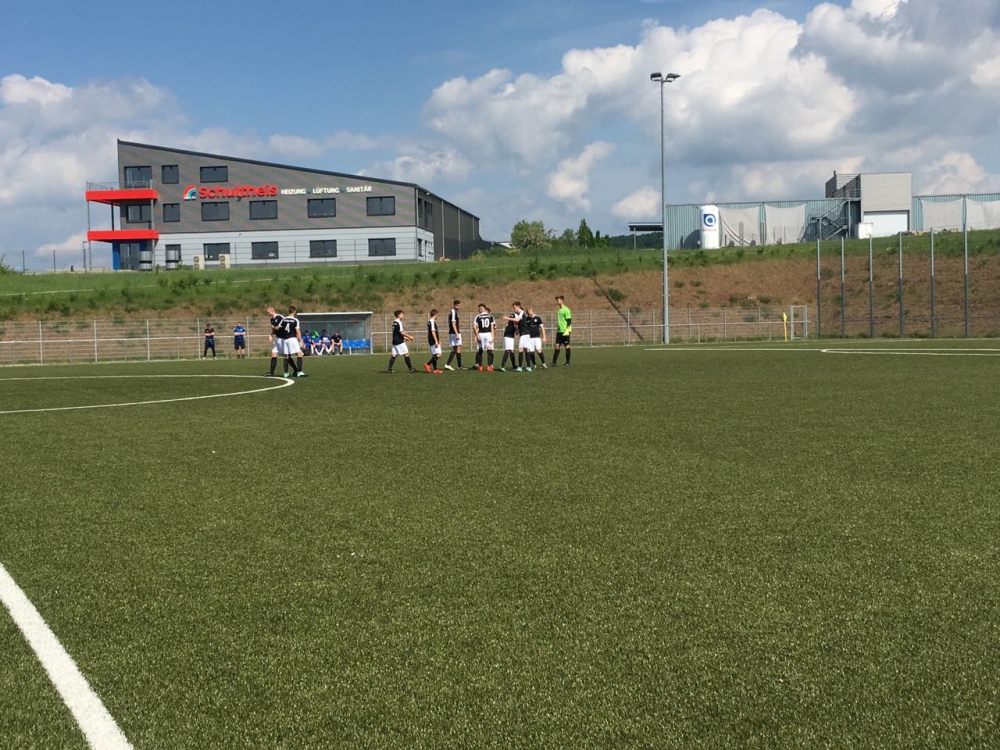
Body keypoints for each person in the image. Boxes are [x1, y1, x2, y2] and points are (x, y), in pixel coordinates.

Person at [275, 305, 306, 377]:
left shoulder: (284, 319)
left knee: (286, 356)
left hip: (285, 340)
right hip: (292, 338)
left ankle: (286, 373)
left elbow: (277, 328)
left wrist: (273, 327)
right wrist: (300, 341)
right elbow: (297, 331)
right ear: (294, 311)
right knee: (299, 354)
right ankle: (299, 372)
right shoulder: (295, 320)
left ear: (289, 311)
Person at [499, 301, 524, 372]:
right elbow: (515, 321)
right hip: (508, 335)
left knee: (512, 350)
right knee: (508, 350)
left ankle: (513, 365)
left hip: (510, 335)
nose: (513, 309)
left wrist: (517, 330)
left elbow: (515, 324)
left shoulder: (515, 314)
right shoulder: (514, 314)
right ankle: (502, 365)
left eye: (514, 308)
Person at [473, 303, 496, 371]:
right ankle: (489, 366)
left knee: (480, 350)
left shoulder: (478, 316)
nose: (479, 310)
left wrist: (476, 335)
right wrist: (493, 337)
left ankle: (480, 366)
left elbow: (474, 327)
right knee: (489, 351)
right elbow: (492, 327)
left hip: (481, 334)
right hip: (488, 334)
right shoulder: (490, 316)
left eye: (480, 308)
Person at [552, 295, 572, 366]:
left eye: (558, 300)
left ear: (562, 301)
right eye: (556, 301)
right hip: (559, 331)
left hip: (565, 331)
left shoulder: (566, 310)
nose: (557, 302)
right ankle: (554, 362)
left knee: (567, 346)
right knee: (557, 346)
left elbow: (569, 321)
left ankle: (567, 362)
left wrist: (567, 330)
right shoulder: (559, 310)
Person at [264, 306, 285, 377]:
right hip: (276, 338)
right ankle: (271, 372)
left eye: (268, 312)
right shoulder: (272, 319)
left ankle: (295, 370)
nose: (267, 314)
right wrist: (271, 335)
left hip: (282, 338)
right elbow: (274, 329)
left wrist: (275, 328)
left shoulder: (279, 317)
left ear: (272, 311)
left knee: (286, 355)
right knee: (273, 354)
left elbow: (283, 326)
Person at [444, 299, 464, 371]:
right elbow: (453, 323)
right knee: (456, 348)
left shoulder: (454, 312)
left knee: (457, 348)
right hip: (454, 333)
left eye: (459, 305)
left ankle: (458, 365)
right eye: (458, 306)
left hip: (454, 332)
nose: (459, 307)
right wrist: (456, 333)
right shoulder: (453, 312)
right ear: (454, 305)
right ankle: (449, 364)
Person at [424, 309, 443, 373]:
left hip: (431, 340)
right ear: (435, 315)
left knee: (434, 354)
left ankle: (435, 369)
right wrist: (436, 340)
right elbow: (433, 331)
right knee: (439, 354)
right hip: (433, 340)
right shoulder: (432, 321)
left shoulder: (429, 321)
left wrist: (438, 340)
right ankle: (427, 364)